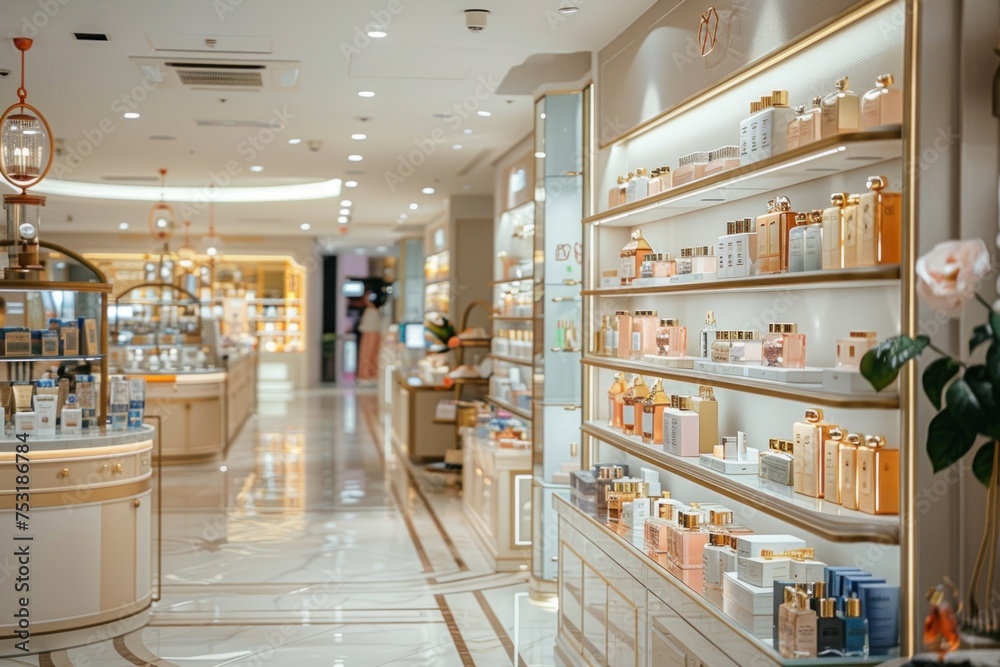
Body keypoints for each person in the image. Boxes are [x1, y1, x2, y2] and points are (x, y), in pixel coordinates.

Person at [356, 291, 382, 382]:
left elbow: (368, 325)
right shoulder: (370, 311)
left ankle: (369, 375)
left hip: (372, 335)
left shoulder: (373, 311)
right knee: (366, 355)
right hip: (369, 334)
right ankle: (366, 375)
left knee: (370, 354)